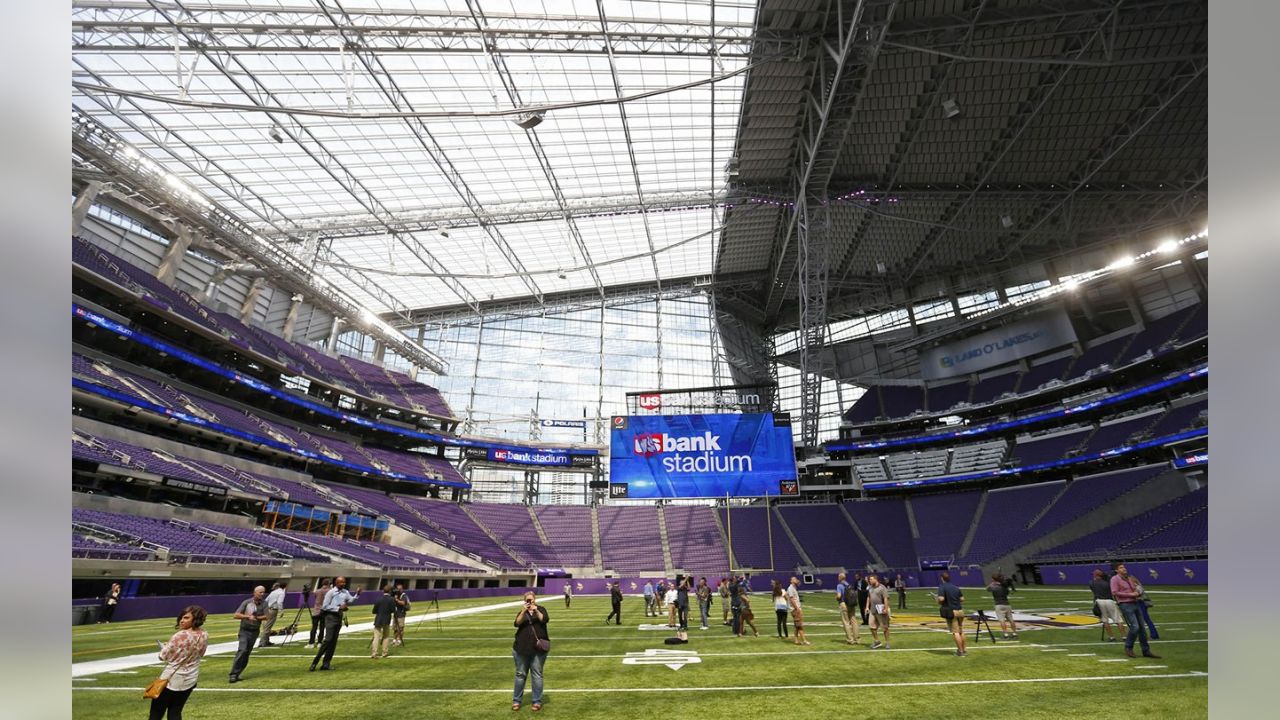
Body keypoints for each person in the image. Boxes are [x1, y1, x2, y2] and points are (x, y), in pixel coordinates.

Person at [148, 605, 208, 720]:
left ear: (195, 619)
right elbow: (201, 653)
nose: (181, 620)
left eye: (186, 618)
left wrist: (164, 649)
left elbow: (162, 656)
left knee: (156, 712)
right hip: (191, 677)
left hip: (172, 679)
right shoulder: (204, 634)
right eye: (182, 617)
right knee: (175, 711)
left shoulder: (180, 635)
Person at [1111, 564, 1161, 659]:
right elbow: (1114, 592)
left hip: (1135, 603)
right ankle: (1128, 647)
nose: (1124, 569)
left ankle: (1146, 650)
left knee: (1142, 628)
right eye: (1121, 567)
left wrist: (1138, 591)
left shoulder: (1129, 578)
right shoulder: (1115, 579)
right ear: (1116, 570)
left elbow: (1137, 588)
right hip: (1125, 604)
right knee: (1135, 627)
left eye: (1124, 567)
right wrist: (1130, 594)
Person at [511, 590, 550, 712]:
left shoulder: (541, 609)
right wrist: (524, 610)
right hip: (521, 648)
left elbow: (544, 620)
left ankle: (536, 701)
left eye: (531, 599)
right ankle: (516, 701)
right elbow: (517, 623)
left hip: (538, 649)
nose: (529, 601)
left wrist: (536, 609)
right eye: (527, 600)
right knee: (520, 675)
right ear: (524, 600)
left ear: (535, 599)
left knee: (537, 675)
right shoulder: (522, 611)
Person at [310, 576, 358, 672]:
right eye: (341, 582)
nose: (343, 584)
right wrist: (339, 608)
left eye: (344, 582)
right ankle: (315, 662)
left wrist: (358, 594)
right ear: (336, 583)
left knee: (333, 642)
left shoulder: (345, 592)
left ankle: (326, 664)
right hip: (330, 617)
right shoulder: (331, 592)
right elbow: (325, 606)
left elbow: (351, 600)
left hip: (339, 618)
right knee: (328, 640)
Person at [229, 585, 267, 683]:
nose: (262, 594)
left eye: (263, 592)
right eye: (260, 592)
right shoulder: (246, 602)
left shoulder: (264, 603)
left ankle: (238, 673)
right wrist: (247, 616)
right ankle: (233, 674)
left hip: (254, 631)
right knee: (242, 650)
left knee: (246, 653)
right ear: (254, 593)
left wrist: (257, 618)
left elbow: (267, 616)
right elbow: (236, 615)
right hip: (244, 631)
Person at [936, 572, 967, 657]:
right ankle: (964, 650)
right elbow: (962, 599)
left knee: (955, 632)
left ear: (942, 578)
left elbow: (941, 599)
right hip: (960, 611)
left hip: (951, 612)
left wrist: (937, 600)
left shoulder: (942, 587)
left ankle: (960, 652)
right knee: (961, 631)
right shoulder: (955, 587)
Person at [1090, 569, 1123, 642]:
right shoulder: (1108, 582)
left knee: (1105, 621)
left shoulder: (1092, 582)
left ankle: (1112, 637)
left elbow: (1093, 590)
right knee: (1118, 620)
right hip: (1109, 600)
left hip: (1099, 601)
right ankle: (1124, 636)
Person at [986, 573, 1018, 639]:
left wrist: (993, 583)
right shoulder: (1005, 587)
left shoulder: (994, 587)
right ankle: (1015, 633)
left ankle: (1005, 634)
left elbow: (988, 589)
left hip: (998, 605)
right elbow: (1008, 592)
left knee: (1002, 620)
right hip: (1007, 604)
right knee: (1011, 620)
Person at [258, 581, 287, 648]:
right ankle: (262, 642)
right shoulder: (281, 592)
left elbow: (266, 600)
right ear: (285, 587)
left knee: (265, 626)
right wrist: (281, 611)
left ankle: (266, 641)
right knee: (267, 627)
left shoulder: (273, 592)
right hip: (273, 610)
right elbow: (280, 602)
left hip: (267, 609)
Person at [370, 583, 396, 659]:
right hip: (386, 619)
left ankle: (374, 653)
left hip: (378, 619)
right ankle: (384, 652)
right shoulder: (391, 599)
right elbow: (393, 610)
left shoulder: (379, 599)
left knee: (376, 637)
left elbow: (374, 611)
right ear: (390, 591)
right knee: (386, 636)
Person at [865, 574, 891, 649]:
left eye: (871, 579)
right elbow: (869, 598)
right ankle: (877, 641)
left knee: (885, 627)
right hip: (872, 610)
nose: (870, 581)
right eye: (869, 579)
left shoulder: (882, 587)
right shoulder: (870, 587)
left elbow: (886, 598)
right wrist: (867, 607)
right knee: (871, 626)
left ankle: (887, 642)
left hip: (881, 610)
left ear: (876, 579)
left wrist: (885, 608)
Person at [836, 572, 860, 645]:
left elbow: (839, 596)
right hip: (851, 604)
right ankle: (857, 639)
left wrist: (836, 598)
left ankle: (850, 639)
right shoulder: (848, 584)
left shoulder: (839, 585)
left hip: (844, 604)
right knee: (854, 621)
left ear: (840, 578)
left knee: (846, 622)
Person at [787, 576, 810, 646]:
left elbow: (799, 583)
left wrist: (797, 582)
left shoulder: (794, 587)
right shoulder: (790, 588)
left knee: (797, 626)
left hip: (796, 608)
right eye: (794, 579)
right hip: (795, 609)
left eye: (796, 579)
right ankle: (804, 640)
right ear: (791, 581)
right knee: (800, 626)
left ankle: (796, 640)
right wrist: (797, 608)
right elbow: (791, 599)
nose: (796, 580)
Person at [308, 578, 330, 647]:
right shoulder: (329, 591)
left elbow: (315, 597)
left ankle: (311, 643)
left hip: (316, 611)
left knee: (314, 628)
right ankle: (319, 642)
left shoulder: (317, 591)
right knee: (322, 628)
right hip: (324, 611)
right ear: (328, 584)